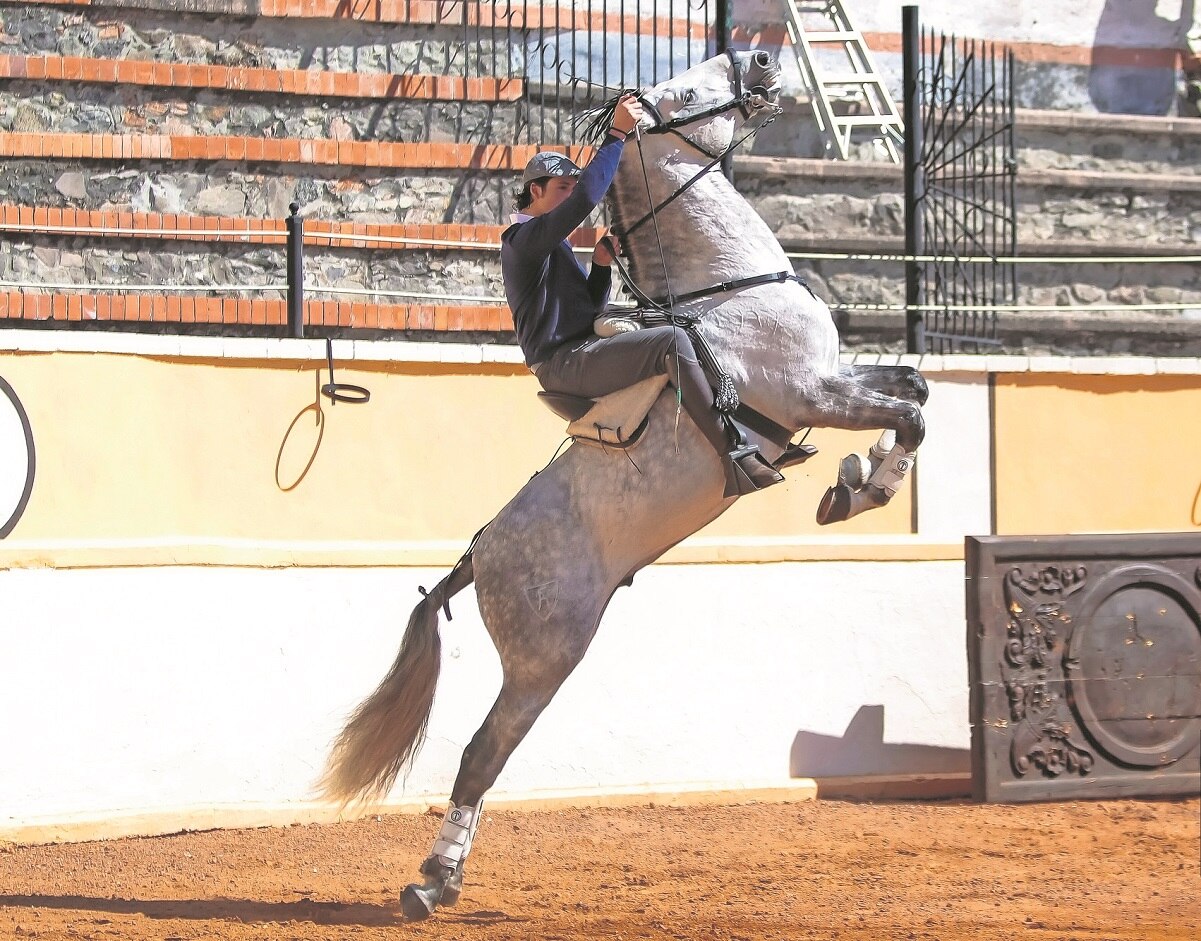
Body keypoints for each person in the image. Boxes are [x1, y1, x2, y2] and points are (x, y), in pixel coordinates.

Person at [501, 95, 783, 497]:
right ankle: (732, 454)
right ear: (536, 190)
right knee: (669, 342)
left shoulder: (544, 244)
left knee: (677, 324)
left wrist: (599, 266)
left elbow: (589, 310)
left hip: (579, 350)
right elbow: (585, 200)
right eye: (562, 187)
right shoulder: (521, 241)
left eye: (570, 187)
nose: (570, 194)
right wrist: (616, 134)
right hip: (562, 364)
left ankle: (762, 430)